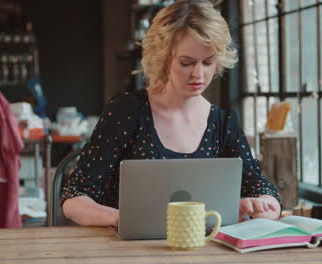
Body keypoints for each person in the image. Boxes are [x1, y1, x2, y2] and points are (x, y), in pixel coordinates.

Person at [61, 0, 281, 227]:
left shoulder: (223, 123)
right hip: (127, 250)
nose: (199, 74)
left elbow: (262, 189)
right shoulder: (127, 111)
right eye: (187, 63)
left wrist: (261, 206)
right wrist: (120, 219)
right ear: (164, 59)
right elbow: (74, 196)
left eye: (208, 62)